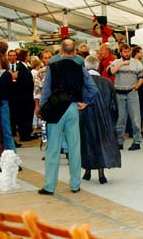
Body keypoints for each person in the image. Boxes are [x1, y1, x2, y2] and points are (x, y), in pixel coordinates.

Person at [38, 37, 98, 195]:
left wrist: (43, 109)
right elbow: (93, 88)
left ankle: (50, 186)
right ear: (75, 51)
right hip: (73, 107)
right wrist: (85, 102)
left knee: (53, 148)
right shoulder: (80, 66)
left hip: (56, 108)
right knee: (74, 147)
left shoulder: (52, 66)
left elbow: (46, 90)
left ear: (61, 50)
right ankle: (75, 184)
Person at [81, 56, 121, 184]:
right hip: (105, 118)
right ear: (98, 66)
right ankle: (101, 174)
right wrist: (113, 121)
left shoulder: (82, 82)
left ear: (85, 66)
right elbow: (114, 106)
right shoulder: (107, 82)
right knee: (101, 144)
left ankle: (87, 171)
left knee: (87, 143)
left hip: (86, 117)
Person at [107, 44, 143, 151]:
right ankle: (119, 141)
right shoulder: (116, 62)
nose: (127, 53)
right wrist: (121, 64)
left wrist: (136, 87)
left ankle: (137, 141)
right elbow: (110, 72)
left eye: (128, 51)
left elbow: (142, 76)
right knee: (121, 118)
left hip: (132, 93)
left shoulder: (137, 63)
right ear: (120, 52)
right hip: (119, 93)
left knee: (135, 117)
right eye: (124, 51)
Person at [0, 53, 19, 152]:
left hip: (4, 103)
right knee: (0, 131)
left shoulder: (6, 74)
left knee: (6, 129)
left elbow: (5, 91)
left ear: (2, 63)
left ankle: (13, 154)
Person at [14, 49, 35, 142]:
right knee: (24, 116)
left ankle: (27, 133)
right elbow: (23, 82)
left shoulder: (25, 67)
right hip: (24, 97)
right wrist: (32, 81)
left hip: (27, 96)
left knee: (27, 115)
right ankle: (24, 135)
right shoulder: (20, 67)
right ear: (25, 56)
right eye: (28, 55)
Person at [132, 46, 143, 134]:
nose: (142, 54)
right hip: (138, 89)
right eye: (141, 52)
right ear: (136, 53)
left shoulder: (138, 62)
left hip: (139, 89)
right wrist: (136, 87)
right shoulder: (136, 63)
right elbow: (141, 77)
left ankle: (137, 129)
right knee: (138, 110)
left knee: (138, 110)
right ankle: (138, 129)